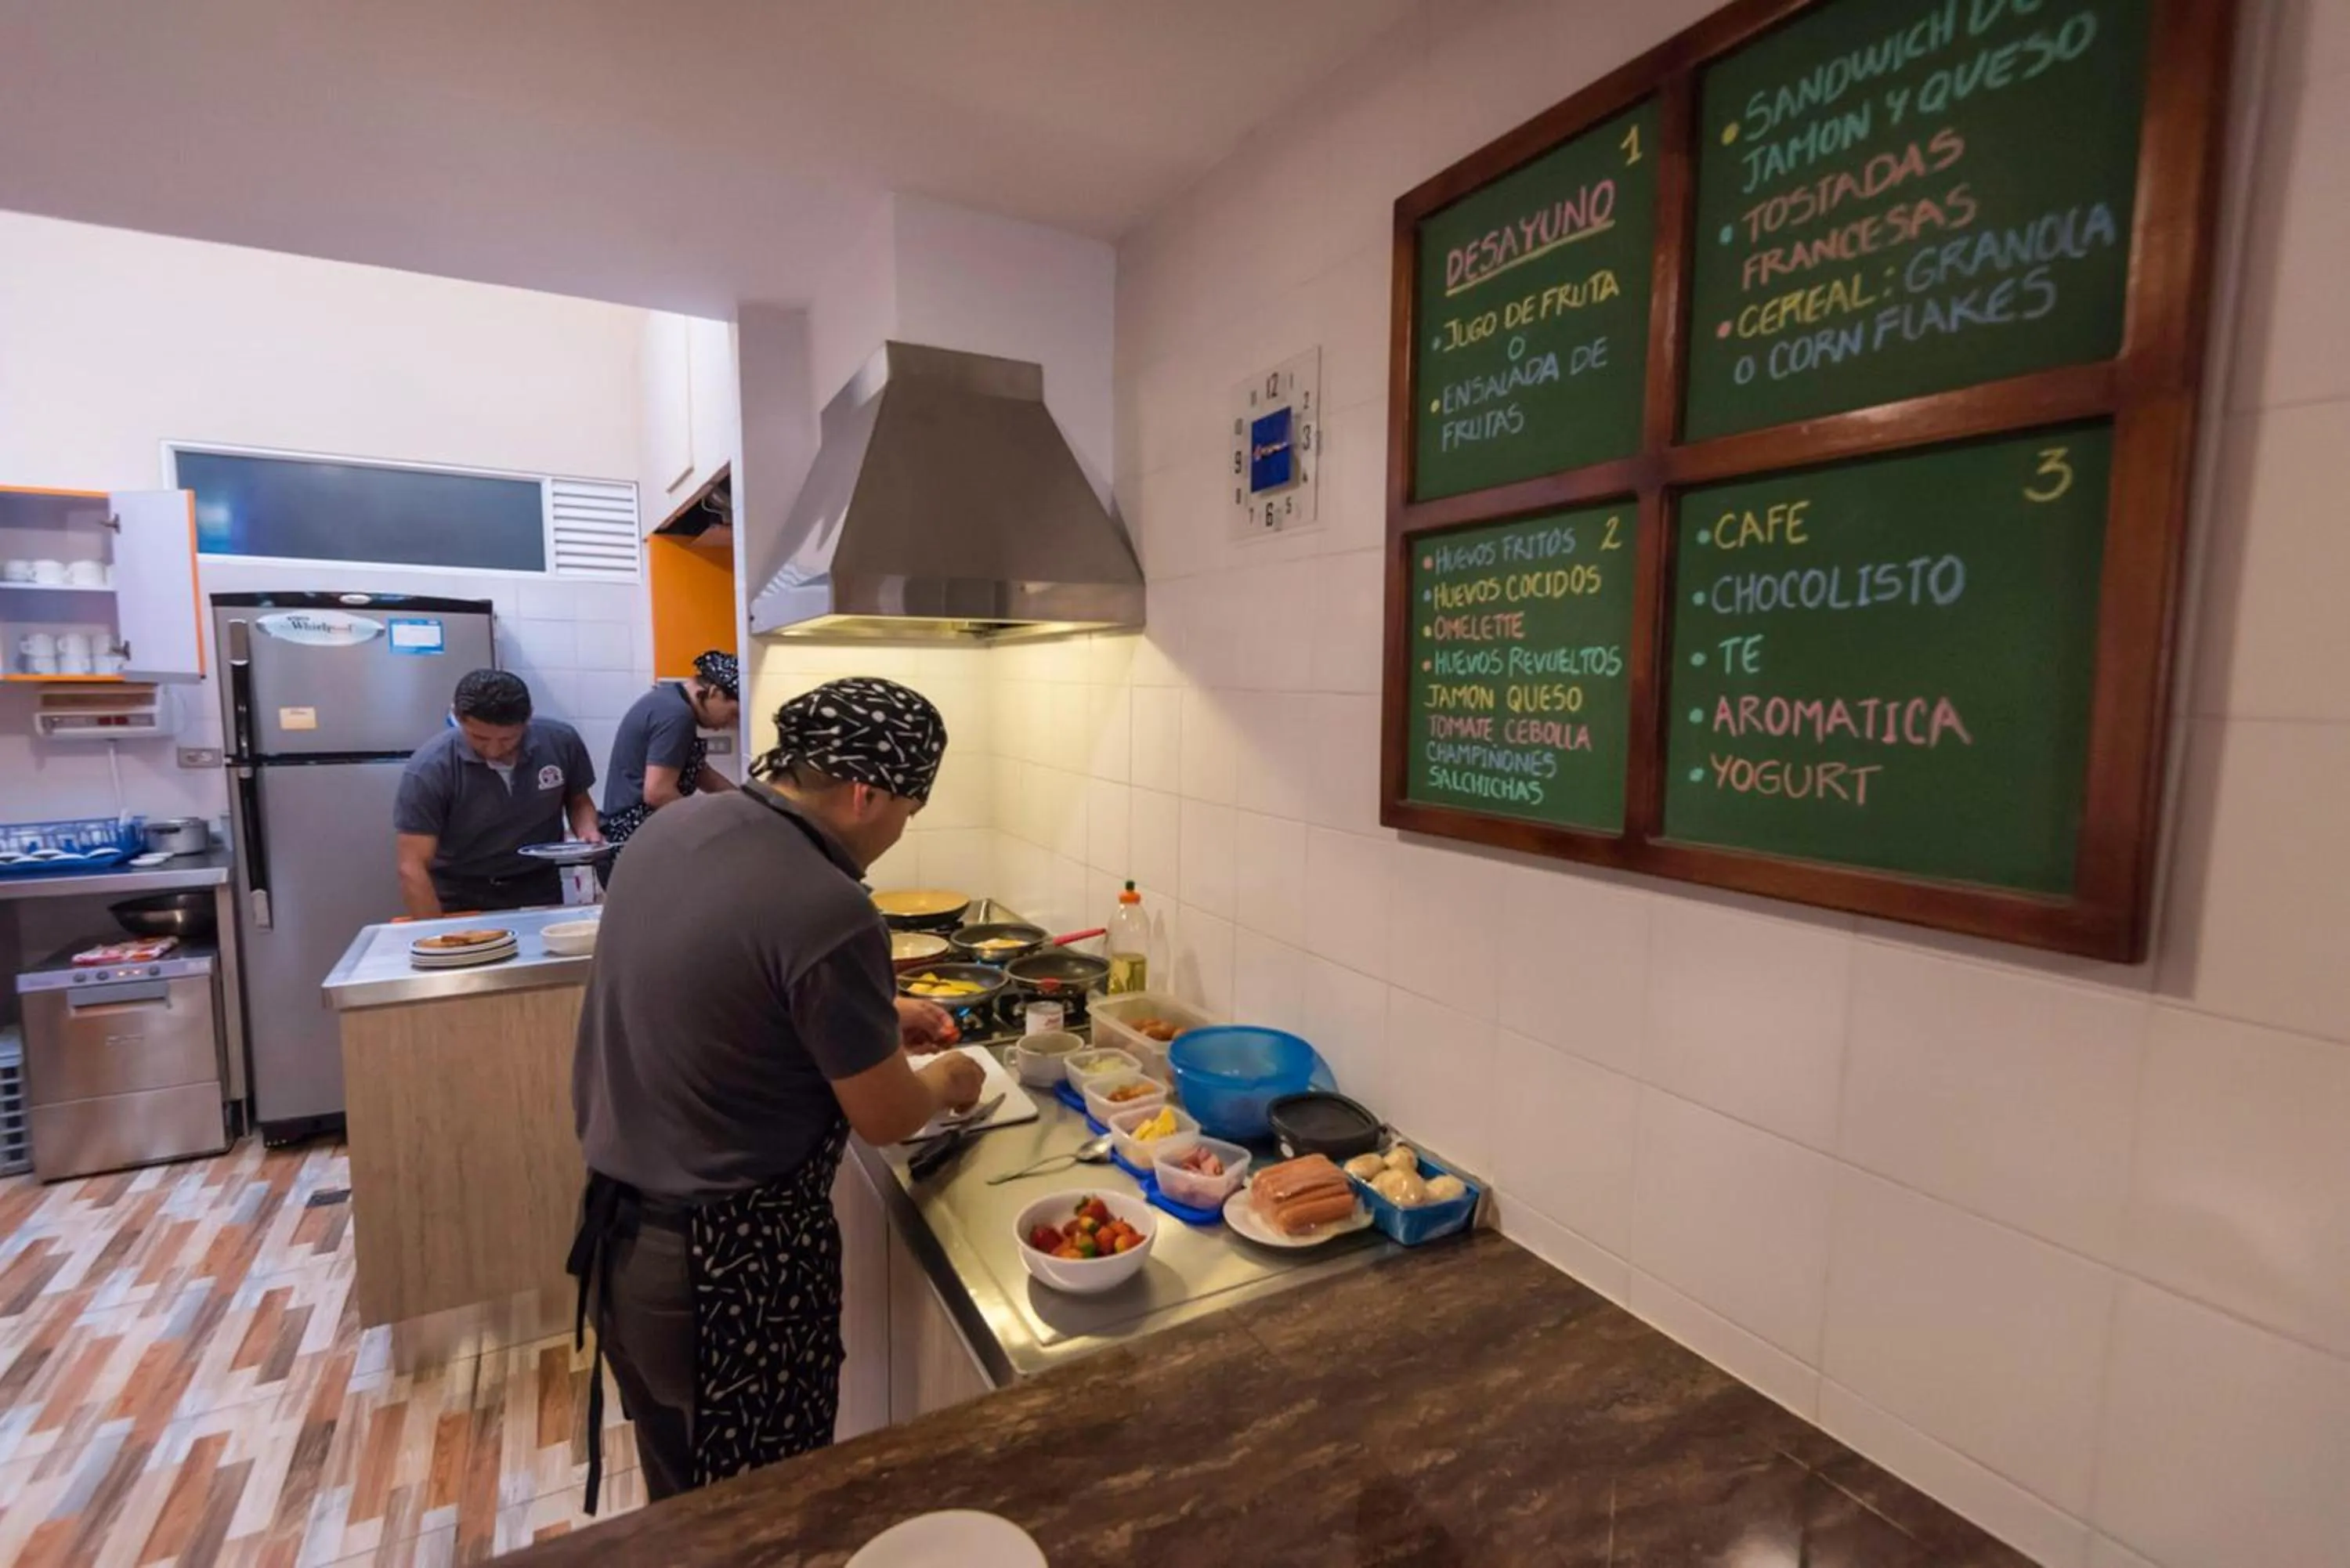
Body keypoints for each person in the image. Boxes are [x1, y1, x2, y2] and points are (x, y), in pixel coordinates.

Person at [567, 676, 985, 1510]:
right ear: (866, 792)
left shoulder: (675, 826)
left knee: (684, 1500)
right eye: (909, 807)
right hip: (728, 1268)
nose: (903, 830)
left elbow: (719, 985)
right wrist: (948, 1080)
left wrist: (875, 1013)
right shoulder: (828, 905)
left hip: (621, 1242)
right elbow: (886, 1116)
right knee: (764, 1516)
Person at [392, 668, 601, 916]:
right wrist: (433, 934)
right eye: (479, 737)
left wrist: (588, 831)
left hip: (538, 885)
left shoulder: (561, 742)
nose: (493, 750)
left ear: (528, 719)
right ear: (457, 717)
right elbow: (412, 865)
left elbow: (578, 800)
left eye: (508, 739)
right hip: (460, 893)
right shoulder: (430, 768)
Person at [594, 649, 742, 877]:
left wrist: (744, 802)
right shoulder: (676, 715)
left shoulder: (667, 701)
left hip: (630, 838)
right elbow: (658, 793)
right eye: (733, 714)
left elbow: (700, 772)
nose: (731, 724)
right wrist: (709, 823)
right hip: (640, 838)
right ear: (714, 692)